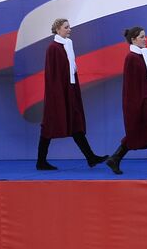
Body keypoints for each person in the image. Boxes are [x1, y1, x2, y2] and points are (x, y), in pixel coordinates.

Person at [104, 28, 147, 176]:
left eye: (145, 36)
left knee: (145, 131)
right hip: (141, 101)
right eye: (142, 37)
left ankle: (115, 158)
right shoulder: (132, 58)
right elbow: (132, 85)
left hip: (146, 98)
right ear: (134, 39)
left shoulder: (144, 55)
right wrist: (139, 104)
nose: (145, 39)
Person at [37, 18, 105, 171]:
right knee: (49, 126)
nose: (69, 29)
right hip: (58, 93)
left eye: (69, 27)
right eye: (66, 27)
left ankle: (90, 157)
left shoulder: (67, 45)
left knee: (75, 123)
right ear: (57, 29)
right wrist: (58, 96)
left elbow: (70, 71)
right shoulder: (53, 48)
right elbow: (52, 75)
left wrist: (71, 91)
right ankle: (41, 161)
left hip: (69, 89)